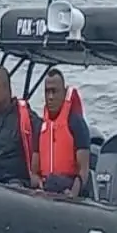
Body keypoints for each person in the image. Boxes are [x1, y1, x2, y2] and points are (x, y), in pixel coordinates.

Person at [31, 68, 92, 197]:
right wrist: (39, 184)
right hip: (46, 187)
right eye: (47, 92)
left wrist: (73, 194)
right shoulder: (40, 127)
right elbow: (34, 171)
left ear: (64, 93)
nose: (50, 97)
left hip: (68, 186)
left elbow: (83, 170)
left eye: (54, 91)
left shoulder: (76, 123)